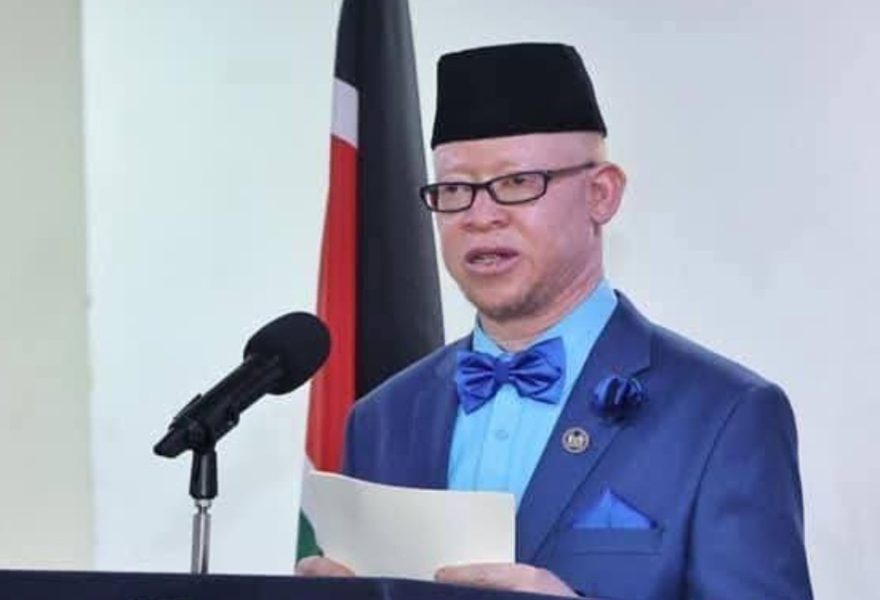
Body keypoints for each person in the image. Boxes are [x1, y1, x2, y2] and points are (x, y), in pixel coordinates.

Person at [297, 43, 813, 599]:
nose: (480, 216)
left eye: (517, 182)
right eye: (455, 190)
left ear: (601, 194)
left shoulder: (724, 415)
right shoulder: (381, 418)